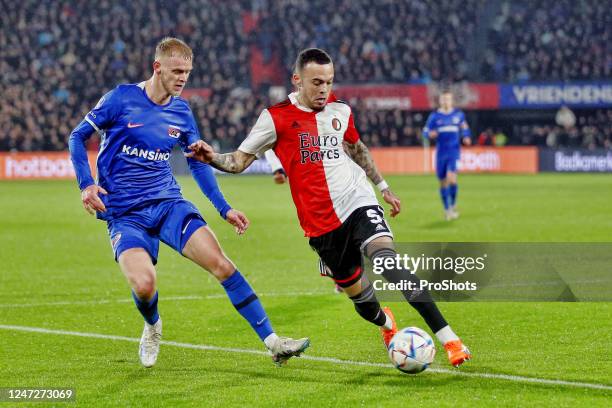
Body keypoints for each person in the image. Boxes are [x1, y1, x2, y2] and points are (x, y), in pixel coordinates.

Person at [186, 48, 471, 368]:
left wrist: (383, 187)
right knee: (364, 304)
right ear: (297, 80)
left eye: (329, 82)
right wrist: (212, 158)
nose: (324, 89)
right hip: (321, 226)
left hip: (357, 200)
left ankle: (450, 339)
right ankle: (388, 324)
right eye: (317, 82)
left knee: (388, 263)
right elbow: (238, 161)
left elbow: (357, 149)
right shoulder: (275, 118)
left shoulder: (341, 111)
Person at [68, 37, 309, 368]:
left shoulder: (181, 111)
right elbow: (77, 136)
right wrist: (86, 185)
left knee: (222, 264)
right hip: (125, 213)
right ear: (157, 67)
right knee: (143, 285)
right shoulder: (121, 99)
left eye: (187, 72)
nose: (183, 78)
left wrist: (224, 208)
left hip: (168, 204)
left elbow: (197, 161)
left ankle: (273, 342)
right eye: (176, 71)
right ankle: (153, 325)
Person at [423, 91, 472, 220]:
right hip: (441, 153)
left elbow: (465, 128)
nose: (445, 102)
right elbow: (425, 131)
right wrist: (429, 135)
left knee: (452, 178)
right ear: (440, 101)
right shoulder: (434, 116)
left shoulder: (458, 115)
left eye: (448, 99)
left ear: (451, 101)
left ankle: (453, 204)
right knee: (442, 182)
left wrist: (466, 136)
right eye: (443, 99)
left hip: (453, 151)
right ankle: (447, 209)